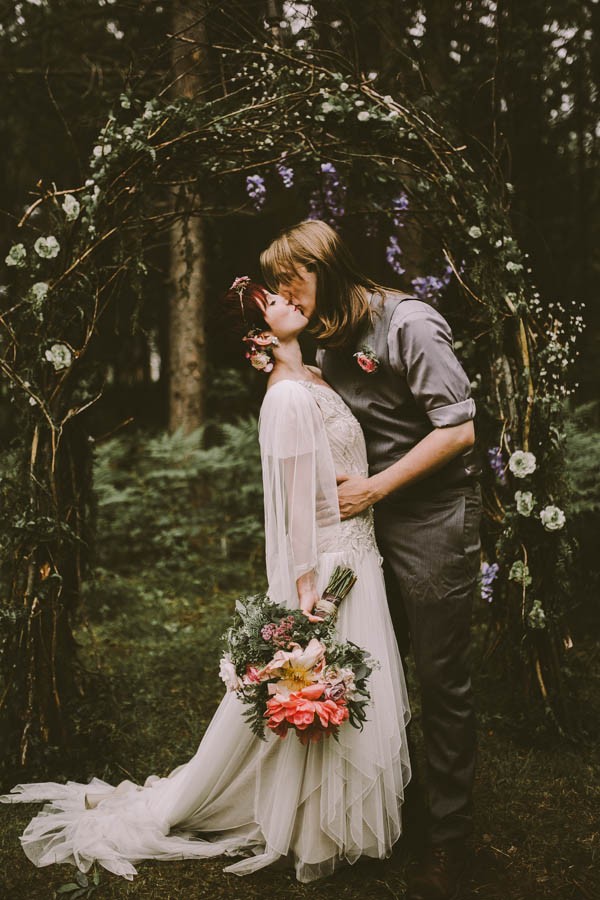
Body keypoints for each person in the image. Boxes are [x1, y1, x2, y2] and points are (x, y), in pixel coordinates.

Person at [0, 279, 411, 885]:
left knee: (354, 699)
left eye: (285, 292)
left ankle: (335, 819)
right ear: (258, 334)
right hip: (330, 567)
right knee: (323, 696)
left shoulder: (317, 377)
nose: (290, 298)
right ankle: (313, 824)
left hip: (359, 551)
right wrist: (305, 597)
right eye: (273, 300)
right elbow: (293, 509)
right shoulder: (287, 399)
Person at [261, 220, 483, 900]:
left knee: (443, 679)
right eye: (273, 282)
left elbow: (462, 428)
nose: (281, 291)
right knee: (377, 665)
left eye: (290, 277)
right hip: (364, 525)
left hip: (433, 515)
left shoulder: (409, 323)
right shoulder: (325, 340)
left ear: (325, 266)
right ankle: (401, 804)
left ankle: (452, 841)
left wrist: (376, 488)